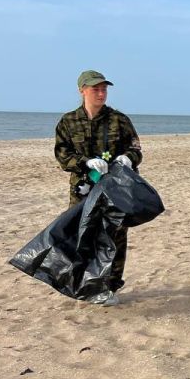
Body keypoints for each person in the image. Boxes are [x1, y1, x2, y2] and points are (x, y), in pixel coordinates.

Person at [54, 70, 143, 306]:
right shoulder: (68, 122)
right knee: (83, 236)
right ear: (82, 90)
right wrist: (84, 163)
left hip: (116, 190)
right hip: (82, 190)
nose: (101, 93)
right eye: (96, 89)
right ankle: (85, 284)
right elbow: (62, 156)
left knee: (115, 237)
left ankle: (110, 287)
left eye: (104, 89)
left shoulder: (119, 120)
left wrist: (128, 158)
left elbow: (136, 149)